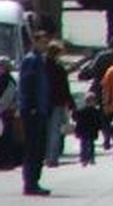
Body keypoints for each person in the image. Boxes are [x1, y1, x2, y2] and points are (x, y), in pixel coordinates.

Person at [18, 30, 51, 196]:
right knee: (33, 148)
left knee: (39, 148)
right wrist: (31, 106)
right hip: (33, 110)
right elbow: (27, 85)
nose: (46, 45)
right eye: (43, 42)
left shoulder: (40, 60)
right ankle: (30, 183)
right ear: (36, 42)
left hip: (40, 109)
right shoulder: (31, 60)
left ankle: (34, 181)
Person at [73, 93, 103, 167]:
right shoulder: (95, 111)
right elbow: (99, 121)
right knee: (88, 144)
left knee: (86, 144)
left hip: (84, 130)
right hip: (89, 130)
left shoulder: (83, 110)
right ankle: (88, 158)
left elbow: (75, 117)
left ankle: (86, 158)